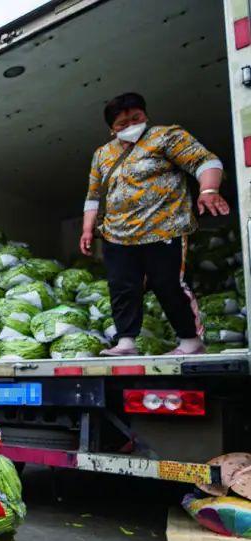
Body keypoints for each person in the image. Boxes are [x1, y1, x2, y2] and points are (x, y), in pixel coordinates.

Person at [80, 92, 228, 356]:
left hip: (164, 229)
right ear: (111, 130)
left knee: (168, 284)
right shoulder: (102, 154)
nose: (130, 126)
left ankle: (190, 342)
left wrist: (209, 190)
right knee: (122, 287)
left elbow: (205, 161)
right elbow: (93, 195)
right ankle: (125, 342)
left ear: (145, 115)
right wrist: (87, 229)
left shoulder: (166, 136)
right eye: (121, 124)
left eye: (136, 118)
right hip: (117, 235)